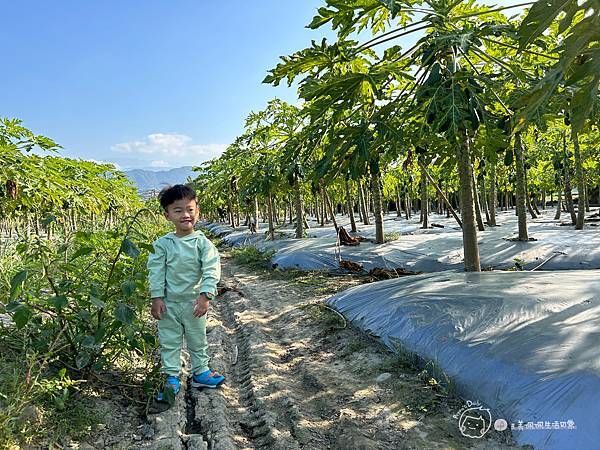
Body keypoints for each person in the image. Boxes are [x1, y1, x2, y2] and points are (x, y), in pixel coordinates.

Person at [147, 184, 225, 401]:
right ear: (167, 215)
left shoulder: (203, 244)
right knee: (169, 341)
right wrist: (156, 298)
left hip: (194, 304)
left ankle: (200, 372)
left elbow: (211, 269)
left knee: (197, 339)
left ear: (197, 211)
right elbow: (156, 271)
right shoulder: (162, 244)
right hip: (169, 305)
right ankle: (171, 377)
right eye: (178, 210)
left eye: (190, 209)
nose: (185, 215)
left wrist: (205, 295)